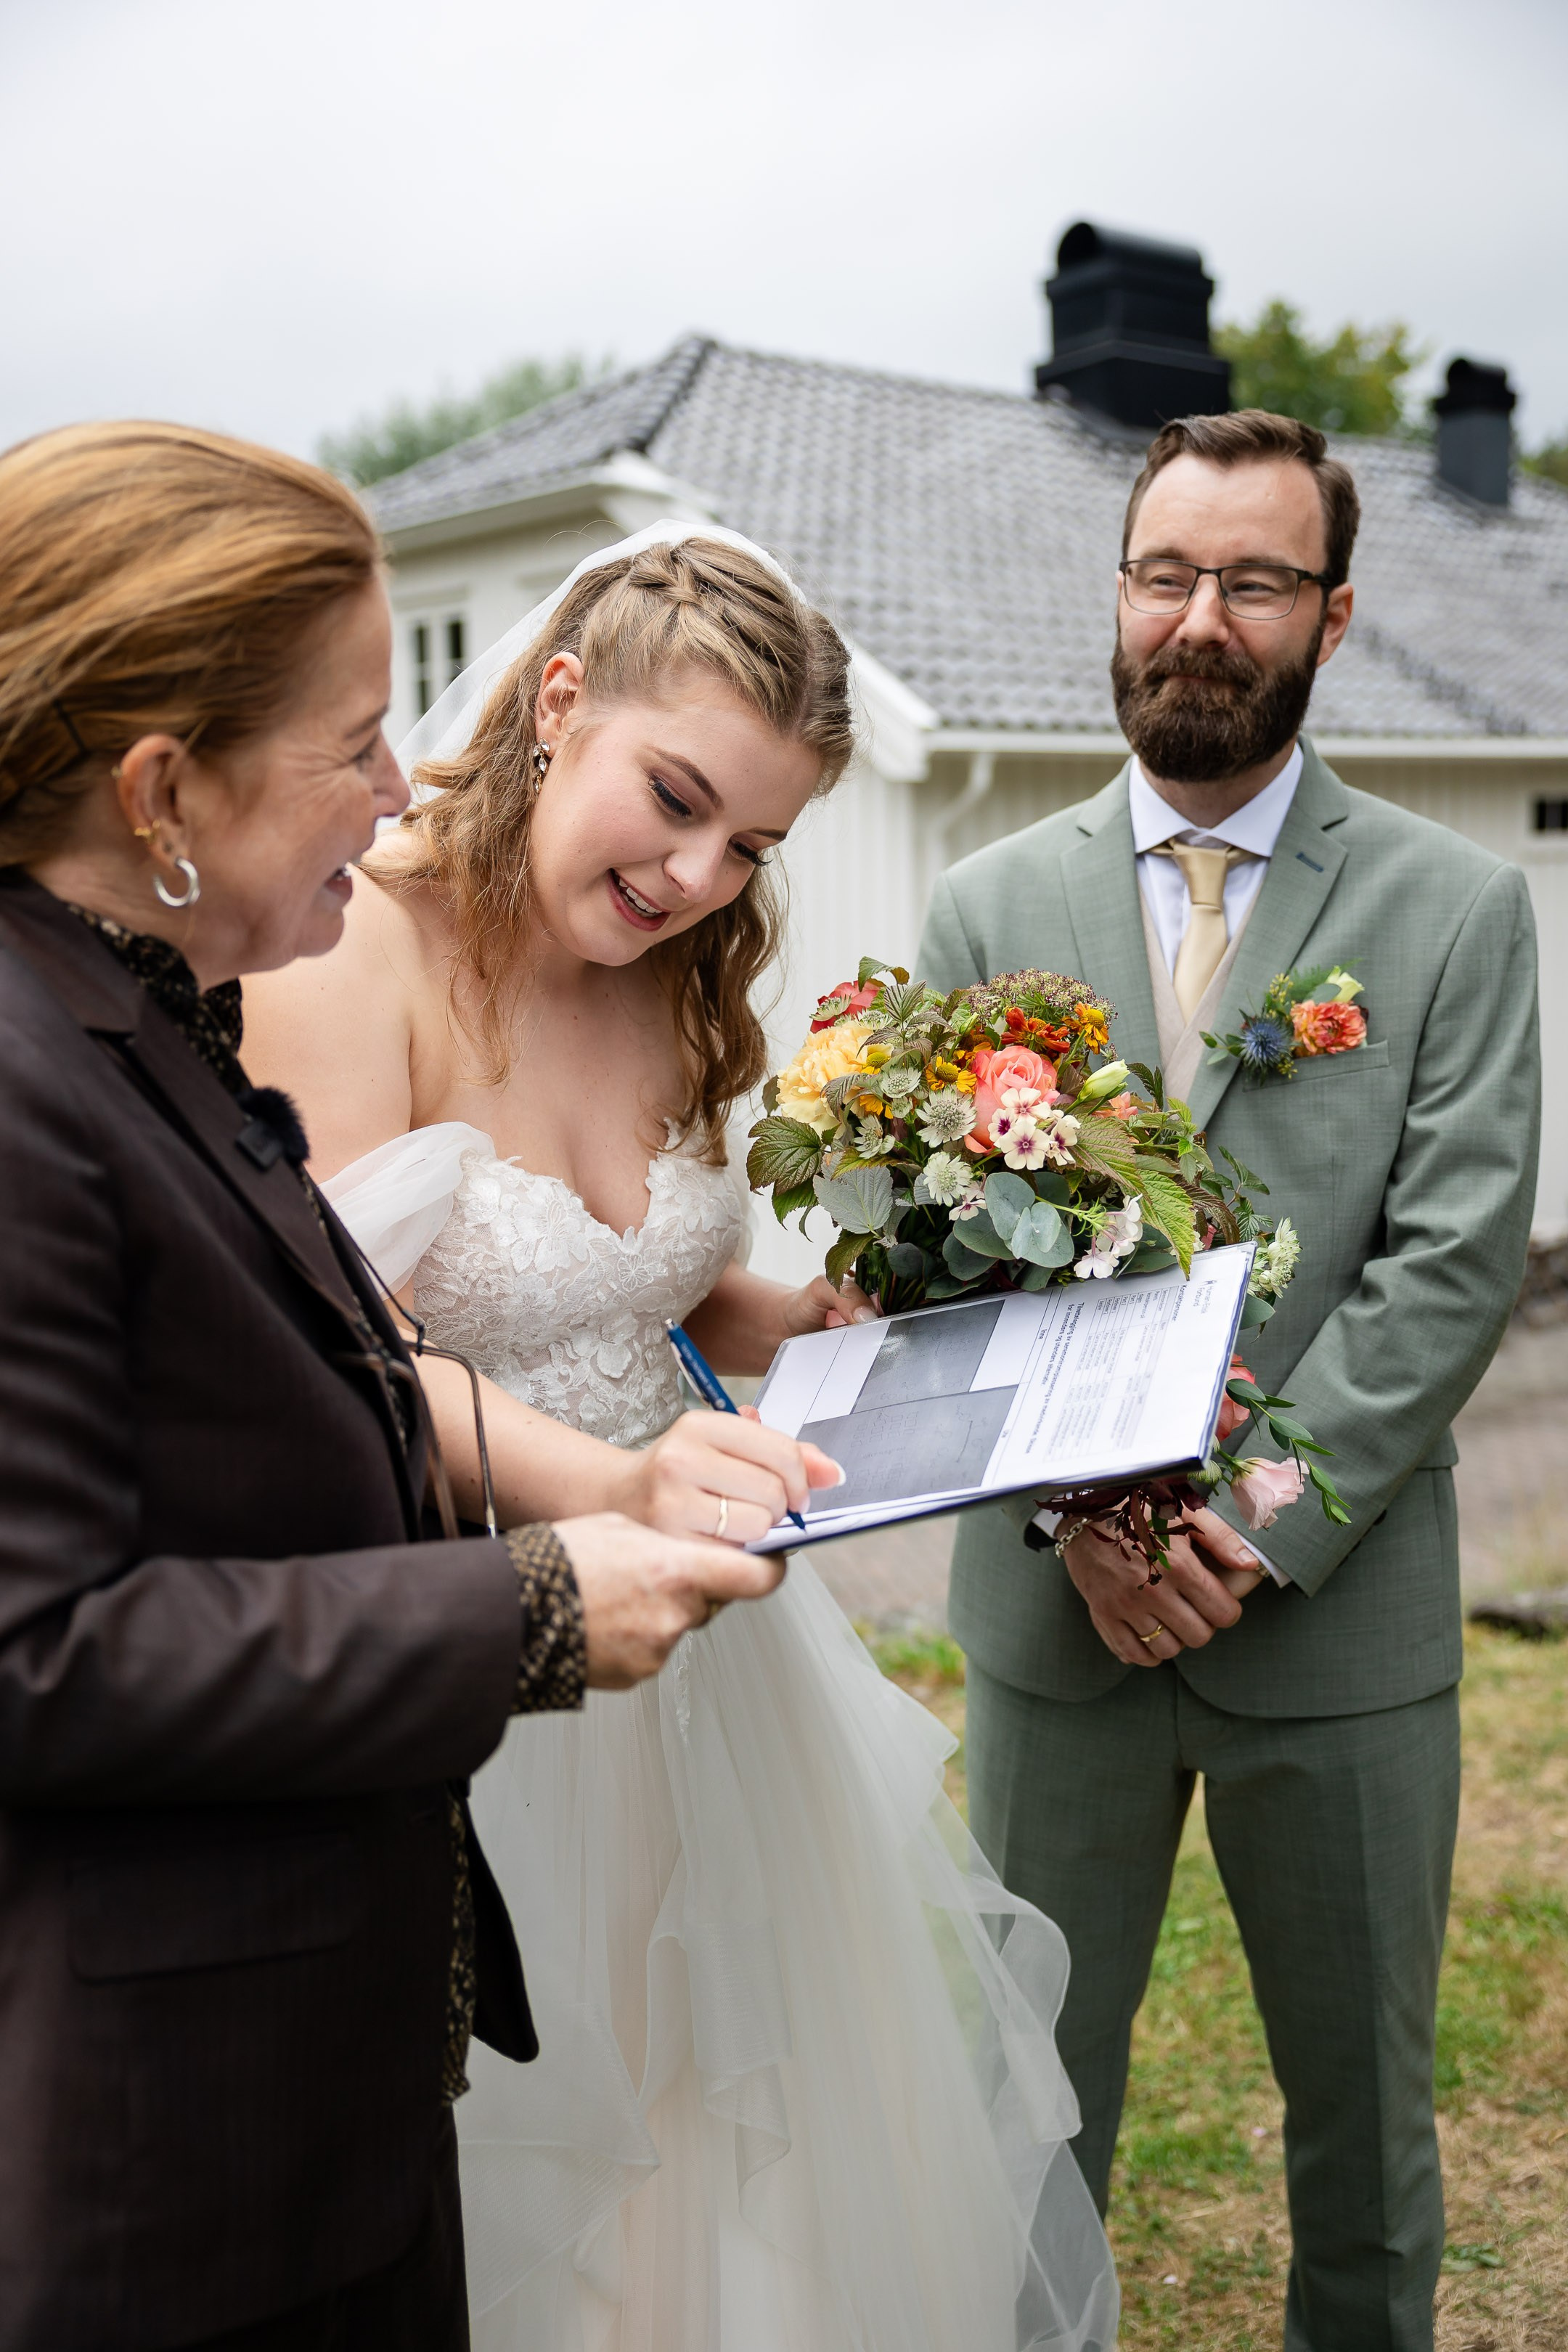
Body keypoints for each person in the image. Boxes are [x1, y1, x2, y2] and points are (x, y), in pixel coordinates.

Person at [243, 524, 1119, 2352]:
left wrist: (792, 1320)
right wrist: (616, 1493)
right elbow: (347, 1356)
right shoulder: (356, 955)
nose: (700, 876)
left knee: (723, 2124)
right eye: (676, 797)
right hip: (493, 1646)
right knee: (542, 2144)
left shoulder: (666, 965)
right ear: (558, 699)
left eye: (755, 847)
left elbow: (641, 1278)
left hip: (713, 1653)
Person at [0, 426, 823, 2352]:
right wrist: (539, 1582)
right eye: (357, 740)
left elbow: (318, 1372)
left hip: (324, 2029)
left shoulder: (153, 1021)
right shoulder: (44, 1084)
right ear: (162, 786)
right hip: (175, 2109)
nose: (398, 790)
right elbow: (35, 1649)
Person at [918, 409, 1541, 2351]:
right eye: (1166, 573)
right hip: (1053, 1623)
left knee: (1363, 2128)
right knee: (1028, 2116)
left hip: (1335, 1636)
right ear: (1117, 597)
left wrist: (1240, 1535)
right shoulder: (982, 908)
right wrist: (1093, 1528)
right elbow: (931, 1257)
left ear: (1331, 618)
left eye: (1255, 580)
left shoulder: (1453, 910)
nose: (1203, 617)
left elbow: (1449, 1272)